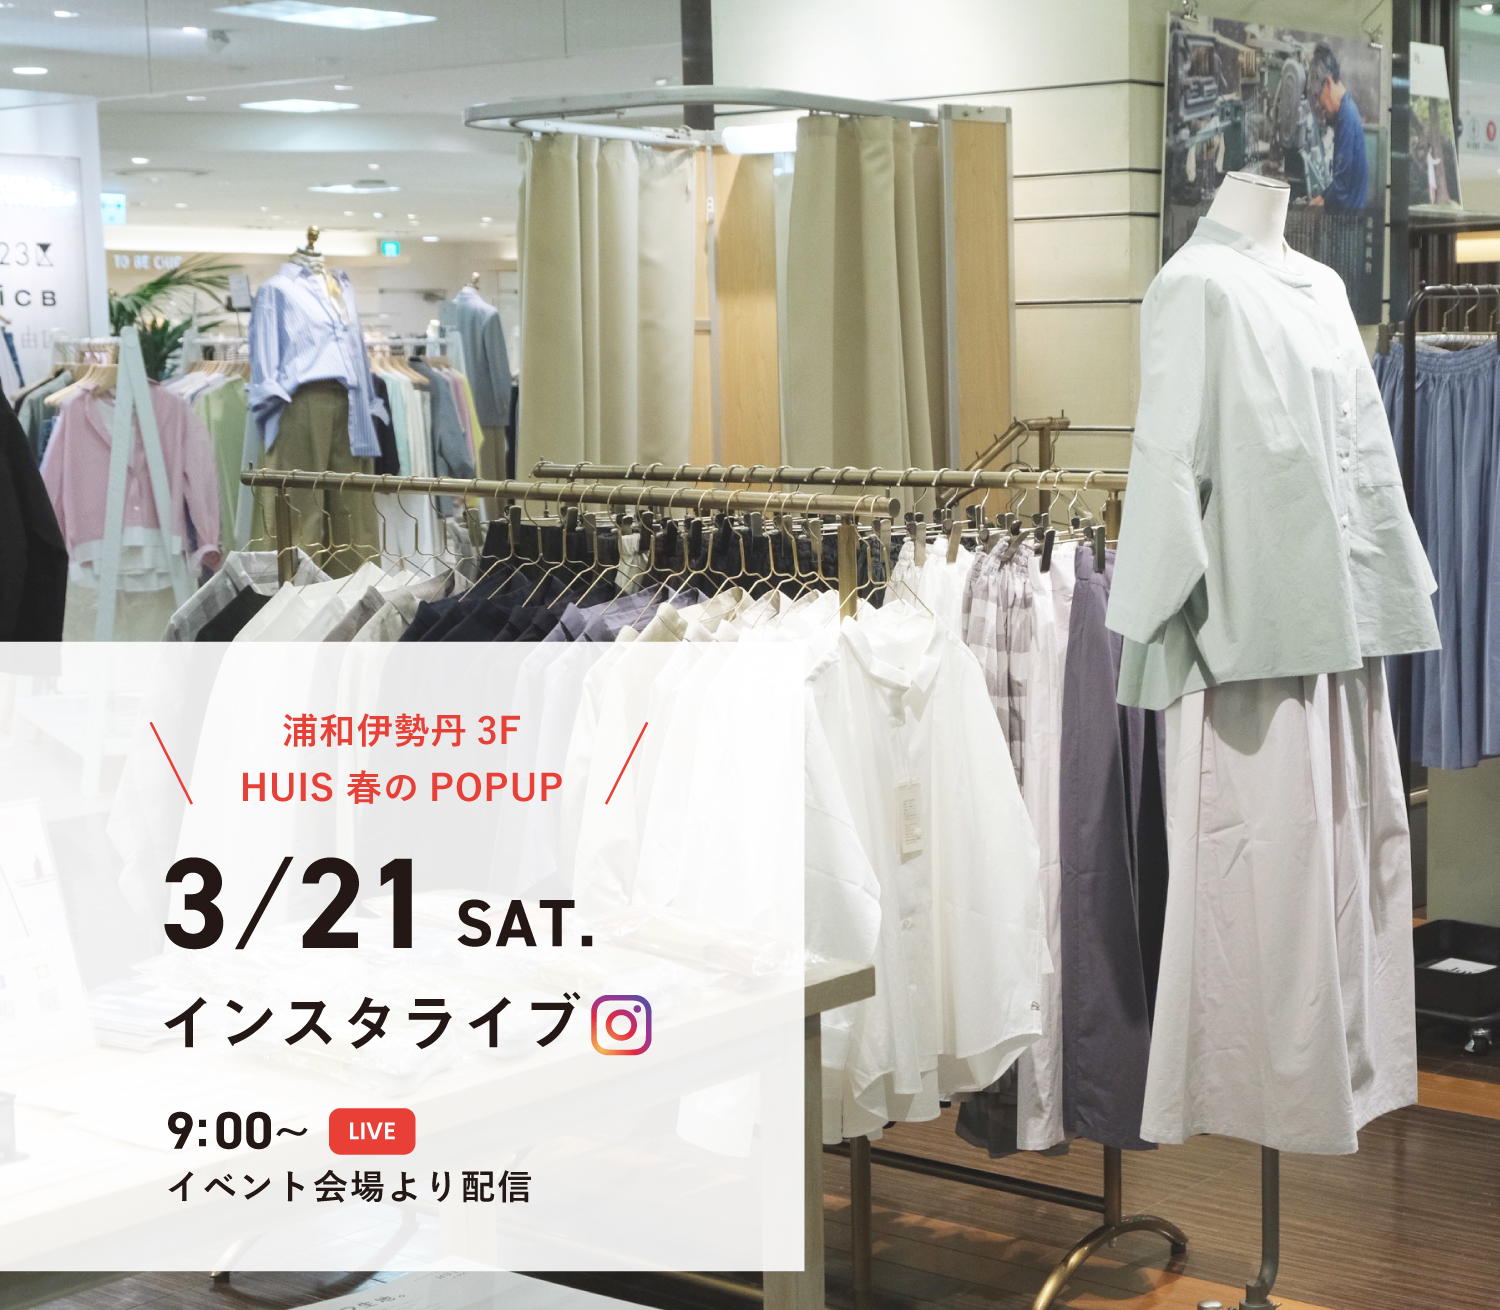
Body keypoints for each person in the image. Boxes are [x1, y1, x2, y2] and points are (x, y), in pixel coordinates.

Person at [1307, 43, 1369, 212]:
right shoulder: (1345, 111)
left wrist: (1315, 208)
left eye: (1318, 97)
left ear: (1327, 82)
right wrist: (1321, 197)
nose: (1320, 105)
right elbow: (1340, 182)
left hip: (1350, 219)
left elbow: (1341, 190)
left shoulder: (1346, 117)